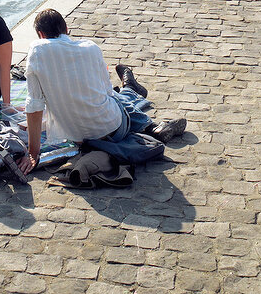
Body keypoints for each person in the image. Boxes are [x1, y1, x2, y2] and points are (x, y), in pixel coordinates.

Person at [18, 9, 186, 174]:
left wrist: (32, 153)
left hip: (79, 138)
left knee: (110, 96)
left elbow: (34, 105)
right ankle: (145, 115)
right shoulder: (90, 47)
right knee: (115, 95)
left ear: (40, 34)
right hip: (113, 129)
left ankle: (131, 89)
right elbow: (107, 92)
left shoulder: (36, 51)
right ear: (66, 29)